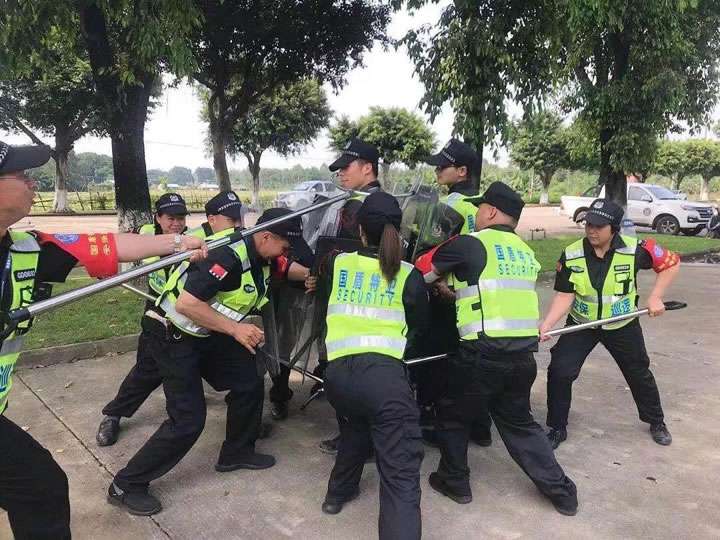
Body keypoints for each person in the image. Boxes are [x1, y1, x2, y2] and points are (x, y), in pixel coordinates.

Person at [0, 141, 207, 539]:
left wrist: (179, 244)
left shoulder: (25, 249)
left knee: (39, 488)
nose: (32, 183)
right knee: (40, 487)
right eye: (21, 176)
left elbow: (108, 246)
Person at [108, 207, 304, 517]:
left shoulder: (261, 255)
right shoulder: (227, 255)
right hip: (172, 334)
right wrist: (236, 329)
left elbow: (286, 268)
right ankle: (126, 484)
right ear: (267, 237)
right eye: (285, 246)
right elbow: (187, 305)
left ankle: (237, 452)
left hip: (204, 333)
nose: (286, 253)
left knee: (248, 377)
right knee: (188, 420)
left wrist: (310, 276)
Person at [418, 181, 578, 516]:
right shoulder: (524, 252)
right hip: (523, 357)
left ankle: (454, 481)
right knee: (520, 423)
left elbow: (420, 273)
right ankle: (562, 492)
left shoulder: (469, 243)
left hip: (481, 356)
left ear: (490, 211)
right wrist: (454, 295)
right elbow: (493, 295)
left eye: (480, 207)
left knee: (452, 415)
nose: (476, 213)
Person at [308, 192, 428, 539]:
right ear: (398, 232)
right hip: (383, 380)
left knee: (356, 428)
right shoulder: (410, 275)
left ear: (359, 230)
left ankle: (337, 494)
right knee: (400, 470)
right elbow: (419, 327)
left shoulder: (336, 264)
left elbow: (325, 303)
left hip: (338, 377)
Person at [96, 191, 247, 446]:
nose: (176, 224)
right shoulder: (144, 234)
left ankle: (244, 419)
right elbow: (117, 248)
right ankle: (114, 414)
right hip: (158, 311)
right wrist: (104, 265)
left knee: (223, 364)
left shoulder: (197, 237)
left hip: (189, 314)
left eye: (180, 218)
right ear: (158, 217)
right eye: (170, 218)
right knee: (147, 369)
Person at [539, 198, 679, 449]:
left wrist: (655, 297)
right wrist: (548, 323)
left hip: (622, 324)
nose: (591, 230)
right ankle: (557, 427)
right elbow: (565, 295)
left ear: (613, 228)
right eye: (588, 224)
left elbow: (670, 262)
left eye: (598, 226)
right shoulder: (572, 254)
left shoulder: (635, 249)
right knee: (560, 371)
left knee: (638, 373)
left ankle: (656, 421)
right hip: (582, 324)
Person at [418, 138, 493, 448]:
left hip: (444, 291)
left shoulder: (450, 205)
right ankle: (480, 425)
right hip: (477, 294)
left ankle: (435, 418)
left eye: (443, 166)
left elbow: (428, 248)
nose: (437, 170)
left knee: (436, 356)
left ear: (462, 171)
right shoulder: (485, 205)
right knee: (469, 358)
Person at [317, 137, 383, 454]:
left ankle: (357, 441)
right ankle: (360, 438)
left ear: (367, 168)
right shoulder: (377, 201)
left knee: (349, 370)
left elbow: (345, 251)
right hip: (364, 296)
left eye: (347, 167)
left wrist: (321, 274)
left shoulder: (364, 204)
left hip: (354, 296)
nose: (341, 173)